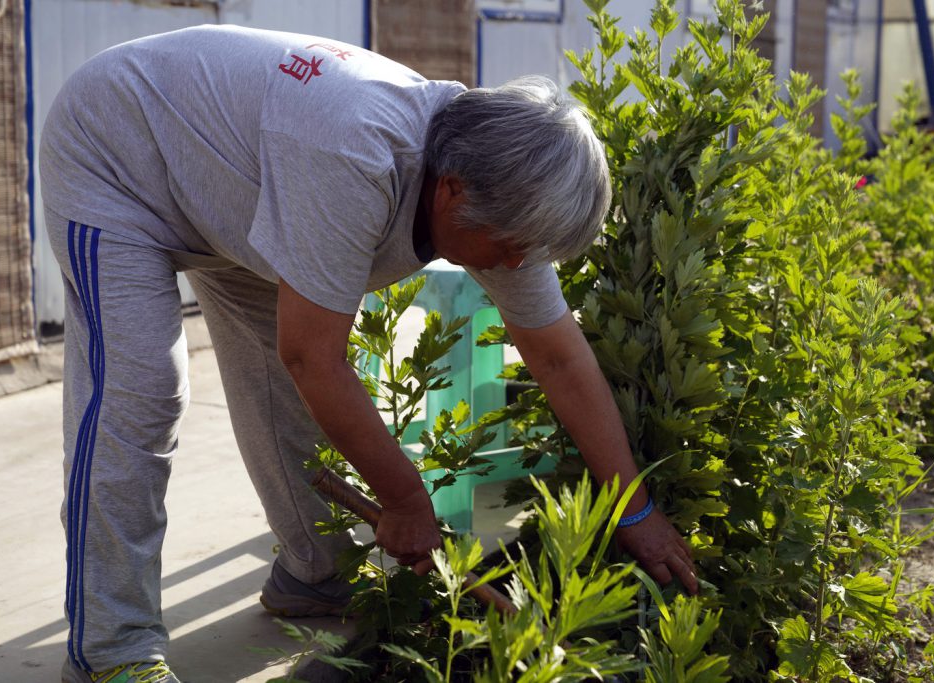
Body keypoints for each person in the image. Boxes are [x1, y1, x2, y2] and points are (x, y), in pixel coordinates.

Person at [40, 25, 697, 683]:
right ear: (453, 192)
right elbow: (314, 357)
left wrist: (633, 508)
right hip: (119, 158)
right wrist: (406, 498)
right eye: (511, 247)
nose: (517, 264)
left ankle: (314, 574)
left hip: (234, 182)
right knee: (141, 390)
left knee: (279, 387)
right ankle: (110, 649)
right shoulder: (356, 156)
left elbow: (558, 357)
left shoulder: (501, 191)